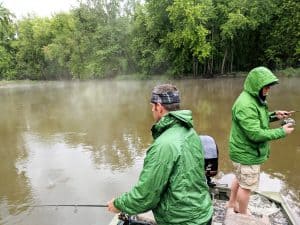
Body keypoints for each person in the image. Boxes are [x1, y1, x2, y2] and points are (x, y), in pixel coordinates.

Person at [108, 84, 213, 225]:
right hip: (203, 214)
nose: (152, 110)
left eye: (152, 106)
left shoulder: (163, 145)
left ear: (159, 106)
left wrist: (118, 204)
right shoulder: (190, 132)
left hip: (181, 221)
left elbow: (145, 197)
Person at [227, 66, 295, 215]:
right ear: (256, 85)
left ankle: (232, 204)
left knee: (239, 179)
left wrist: (275, 115)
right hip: (246, 153)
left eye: (269, 87)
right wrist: (281, 131)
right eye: (266, 87)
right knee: (246, 188)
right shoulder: (246, 104)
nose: (268, 90)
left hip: (241, 151)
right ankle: (243, 216)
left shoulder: (252, 98)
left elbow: (256, 120)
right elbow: (255, 134)